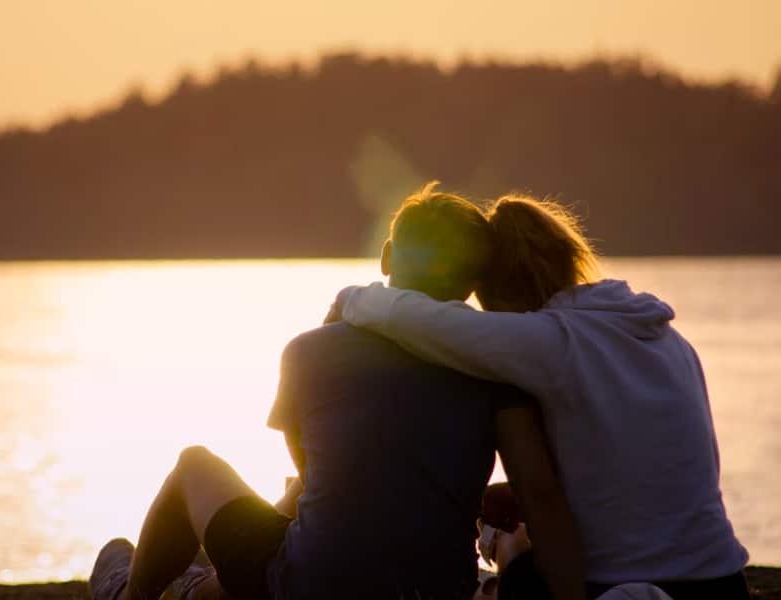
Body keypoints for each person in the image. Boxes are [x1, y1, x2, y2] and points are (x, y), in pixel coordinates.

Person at [89, 184, 585, 600]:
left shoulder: (309, 351)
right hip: (435, 589)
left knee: (195, 466)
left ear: (389, 255)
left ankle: (131, 594)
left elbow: (320, 481)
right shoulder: (493, 364)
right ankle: (198, 584)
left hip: (310, 586)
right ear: (473, 283)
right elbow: (539, 492)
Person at [334, 194, 750, 600]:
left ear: (494, 287)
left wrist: (352, 298)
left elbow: (421, 320)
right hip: (721, 581)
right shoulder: (666, 337)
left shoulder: (550, 340)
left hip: (617, 584)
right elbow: (650, 471)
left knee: (510, 543)